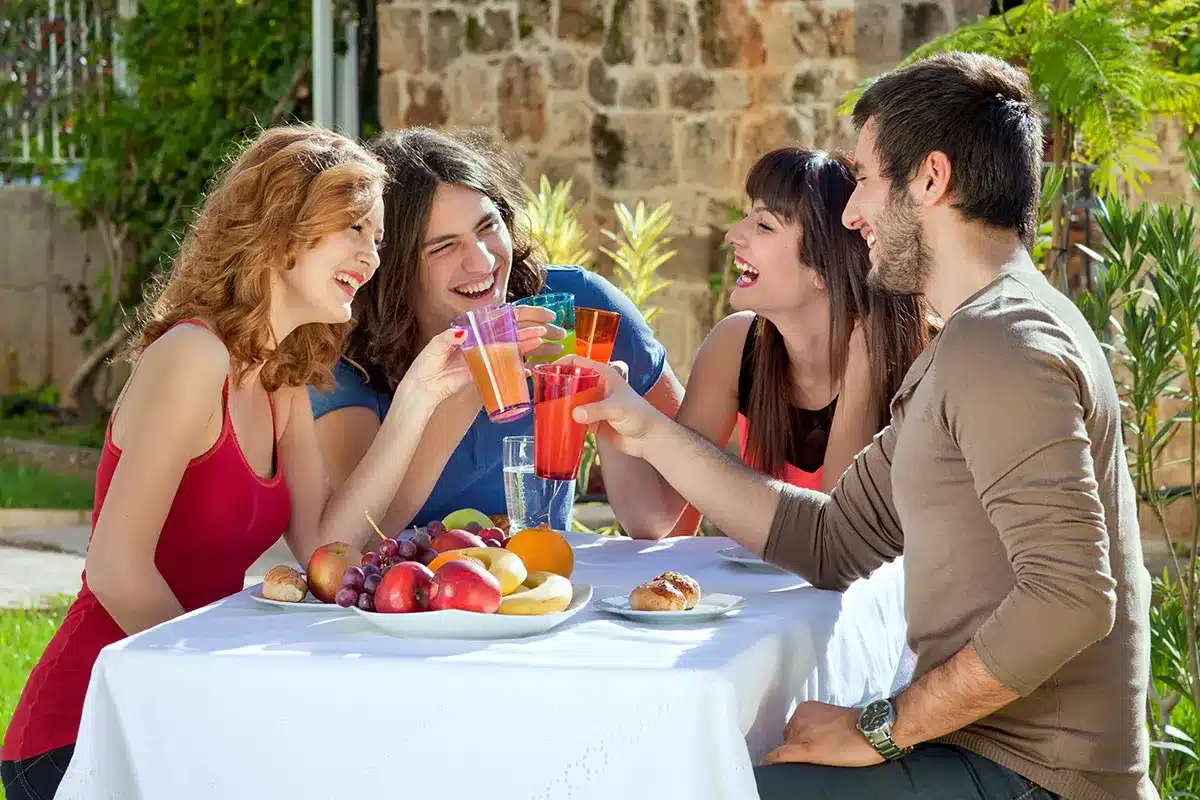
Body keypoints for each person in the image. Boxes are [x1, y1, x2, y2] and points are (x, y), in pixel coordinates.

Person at [559, 51, 1154, 800]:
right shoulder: (972, 338)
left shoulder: (1004, 343)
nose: (851, 212)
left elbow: (1070, 596)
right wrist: (646, 431)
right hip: (983, 752)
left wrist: (883, 725)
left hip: (1033, 776)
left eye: (867, 178)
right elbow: (833, 539)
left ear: (931, 179)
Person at [0, 124, 515, 800]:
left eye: (379, 240)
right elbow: (115, 568)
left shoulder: (282, 376)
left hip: (175, 713)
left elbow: (328, 552)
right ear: (283, 228)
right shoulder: (194, 356)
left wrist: (420, 396)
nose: (370, 257)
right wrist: (224, 692)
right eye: (354, 231)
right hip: (89, 731)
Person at [310, 127, 682, 535]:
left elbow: (655, 520)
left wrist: (614, 415)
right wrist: (483, 372)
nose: (482, 260)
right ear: (395, 268)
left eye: (487, 227)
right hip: (416, 592)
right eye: (444, 246)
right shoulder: (346, 357)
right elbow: (363, 535)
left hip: (540, 586)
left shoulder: (574, 303)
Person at [644, 146, 930, 539]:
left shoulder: (925, 360)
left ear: (823, 267)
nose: (733, 236)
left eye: (764, 225)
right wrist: (611, 415)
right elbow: (664, 525)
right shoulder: (735, 346)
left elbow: (837, 545)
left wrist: (862, 368)